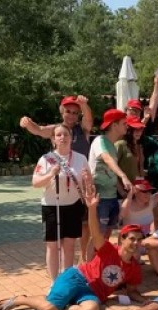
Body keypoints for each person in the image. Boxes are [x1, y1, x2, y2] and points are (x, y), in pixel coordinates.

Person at [0, 180, 146, 310]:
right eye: (132, 239)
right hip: (77, 277)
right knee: (49, 307)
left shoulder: (134, 268)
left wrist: (145, 301)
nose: (135, 243)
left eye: (139, 240)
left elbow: (132, 291)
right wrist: (92, 208)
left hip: (91, 294)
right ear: (122, 240)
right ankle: (21, 300)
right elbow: (94, 231)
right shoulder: (108, 250)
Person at [20, 95, 94, 263]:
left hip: (80, 189)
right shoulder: (56, 129)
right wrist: (27, 122)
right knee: (59, 241)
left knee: (83, 230)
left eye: (76, 112)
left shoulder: (82, 129)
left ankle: (83, 260)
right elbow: (38, 130)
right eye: (68, 111)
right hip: (59, 192)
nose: (72, 115)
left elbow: (88, 119)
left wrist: (85, 105)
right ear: (62, 113)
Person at [32, 124, 90, 281]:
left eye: (66, 134)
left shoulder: (81, 158)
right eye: (58, 135)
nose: (62, 137)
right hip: (51, 206)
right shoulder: (46, 159)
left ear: (72, 138)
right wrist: (51, 174)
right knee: (52, 245)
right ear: (53, 140)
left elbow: (87, 183)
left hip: (73, 205)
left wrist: (87, 180)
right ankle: (54, 281)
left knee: (69, 245)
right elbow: (36, 183)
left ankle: (66, 279)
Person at [88, 109, 133, 243]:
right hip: (100, 198)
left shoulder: (112, 146)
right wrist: (123, 176)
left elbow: (111, 171)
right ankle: (88, 264)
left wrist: (122, 192)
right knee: (97, 236)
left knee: (106, 235)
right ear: (114, 125)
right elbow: (107, 159)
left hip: (111, 197)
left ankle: (100, 262)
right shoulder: (99, 141)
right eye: (124, 123)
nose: (127, 126)